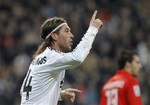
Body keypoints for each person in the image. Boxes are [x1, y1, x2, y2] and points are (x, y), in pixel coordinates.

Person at [20, 10, 103, 105]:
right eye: (66, 31)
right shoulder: (52, 57)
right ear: (54, 36)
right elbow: (77, 57)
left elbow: (26, 92)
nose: (71, 35)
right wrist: (93, 29)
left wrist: (59, 94)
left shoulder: (41, 58)